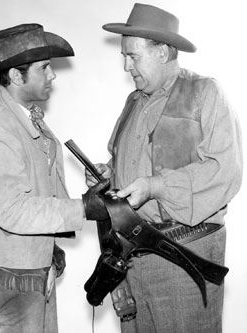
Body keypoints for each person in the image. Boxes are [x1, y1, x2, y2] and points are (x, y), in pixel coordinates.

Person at [86, 3, 243, 333]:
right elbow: (129, 168)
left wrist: (155, 186)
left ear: (163, 51)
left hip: (185, 260)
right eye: (124, 57)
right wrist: (107, 174)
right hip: (134, 260)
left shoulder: (205, 93)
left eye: (133, 56)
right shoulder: (133, 102)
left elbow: (223, 171)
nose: (126, 66)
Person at [0, 23, 109, 333]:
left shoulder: (24, 119)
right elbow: (13, 210)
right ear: (17, 76)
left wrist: (50, 246)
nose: (52, 75)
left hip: (31, 269)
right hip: (13, 279)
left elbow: (36, 189)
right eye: (44, 68)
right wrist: (83, 208)